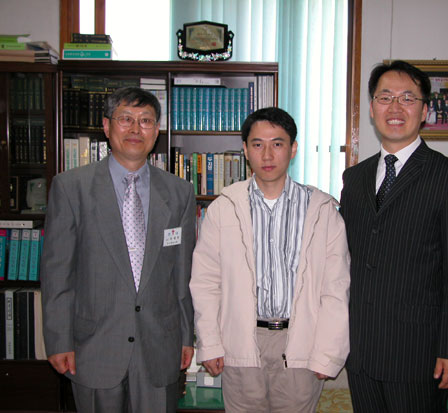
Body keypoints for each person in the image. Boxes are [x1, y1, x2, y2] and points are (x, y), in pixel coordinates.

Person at [41, 87, 196, 413]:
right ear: (106, 126)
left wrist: (186, 336)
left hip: (160, 345)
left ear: (156, 130)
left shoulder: (179, 192)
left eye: (146, 121)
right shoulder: (71, 188)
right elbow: (57, 274)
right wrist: (58, 340)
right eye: (126, 119)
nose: (136, 129)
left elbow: (182, 275)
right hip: (93, 345)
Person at [340, 60, 448, 413]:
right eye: (385, 97)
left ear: (425, 111)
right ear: (371, 108)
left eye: (407, 98)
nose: (395, 107)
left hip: (418, 355)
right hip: (361, 351)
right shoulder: (354, 179)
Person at [190, 107, 350, 413]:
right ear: (245, 150)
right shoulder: (224, 208)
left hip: (301, 343)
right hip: (240, 342)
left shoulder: (321, 210)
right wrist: (209, 343)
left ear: (293, 149)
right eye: (257, 144)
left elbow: (336, 287)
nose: (267, 155)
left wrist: (328, 353)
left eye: (277, 144)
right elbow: (206, 282)